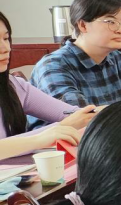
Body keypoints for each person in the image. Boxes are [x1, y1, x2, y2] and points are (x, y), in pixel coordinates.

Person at [31, 0, 121, 106]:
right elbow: (79, 117)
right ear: (83, 25)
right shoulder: (53, 66)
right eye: (111, 22)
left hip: (116, 128)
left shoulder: (119, 59)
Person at [0, 9, 98, 159]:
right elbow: (68, 123)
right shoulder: (54, 63)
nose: (5, 48)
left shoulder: (13, 86)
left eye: (6, 38)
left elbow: (75, 115)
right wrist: (42, 137)